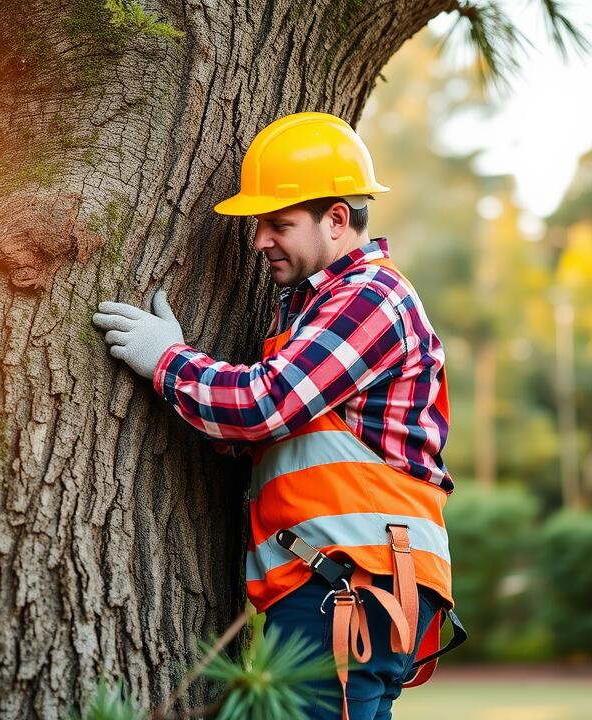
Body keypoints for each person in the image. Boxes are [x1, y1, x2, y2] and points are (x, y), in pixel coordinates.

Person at [91, 112, 461, 720]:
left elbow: (264, 406)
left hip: (349, 584)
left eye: (278, 223)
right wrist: (196, 384)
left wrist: (169, 360)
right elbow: (255, 437)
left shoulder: (370, 297)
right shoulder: (310, 312)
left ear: (336, 219)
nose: (260, 239)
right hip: (340, 583)